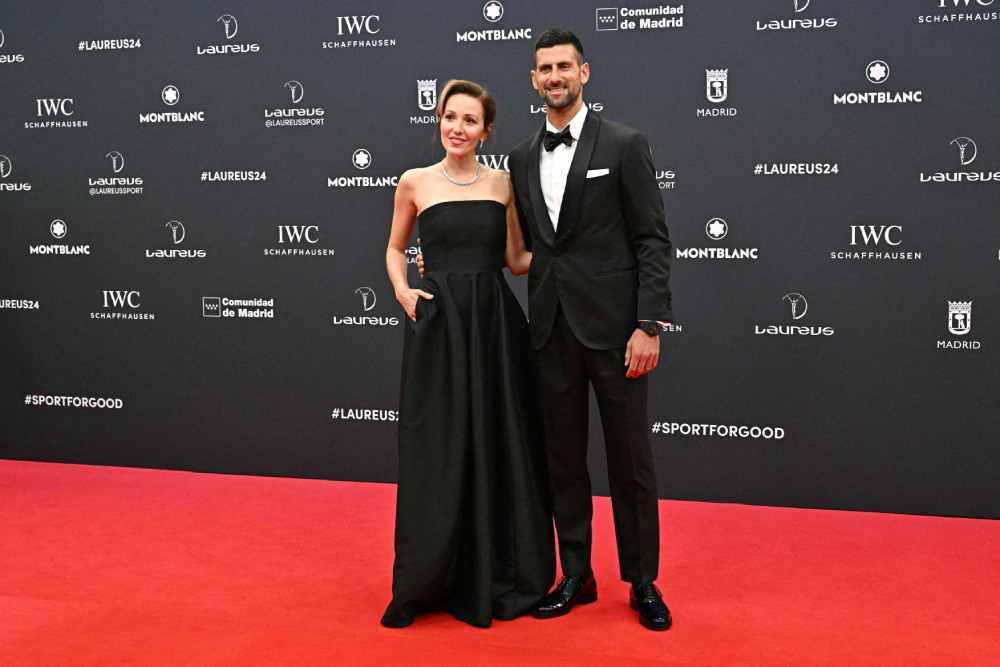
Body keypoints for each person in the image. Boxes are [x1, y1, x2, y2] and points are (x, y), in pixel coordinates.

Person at [508, 28, 674, 630]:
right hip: (550, 329)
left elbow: (651, 239)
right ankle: (576, 573)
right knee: (563, 462)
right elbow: (519, 245)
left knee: (630, 461)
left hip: (616, 331)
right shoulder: (520, 157)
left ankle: (643, 581)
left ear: (584, 72)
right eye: (544, 68)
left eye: (564, 66)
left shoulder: (625, 144)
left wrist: (648, 323)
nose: (554, 76)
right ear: (533, 80)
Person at [381, 79, 555, 628]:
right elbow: (394, 248)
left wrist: (578, 253)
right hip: (439, 326)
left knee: (500, 440)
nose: (457, 128)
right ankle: (435, 575)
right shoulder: (414, 181)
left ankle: (501, 572)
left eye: (469, 120)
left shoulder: (503, 183)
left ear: (485, 131)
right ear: (439, 120)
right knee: (439, 445)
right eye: (449, 117)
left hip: (494, 324)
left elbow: (517, 259)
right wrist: (404, 290)